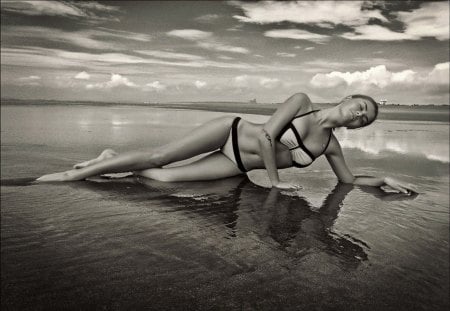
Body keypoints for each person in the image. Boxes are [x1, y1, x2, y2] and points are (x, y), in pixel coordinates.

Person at [36, 93, 416, 193]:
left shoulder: (330, 146)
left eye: (365, 118)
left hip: (237, 164)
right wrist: (276, 182)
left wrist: (380, 180)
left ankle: (111, 159)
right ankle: (76, 175)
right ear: (349, 98)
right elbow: (267, 135)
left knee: (163, 179)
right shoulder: (302, 103)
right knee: (161, 156)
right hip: (231, 132)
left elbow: (347, 181)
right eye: (361, 106)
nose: (360, 115)